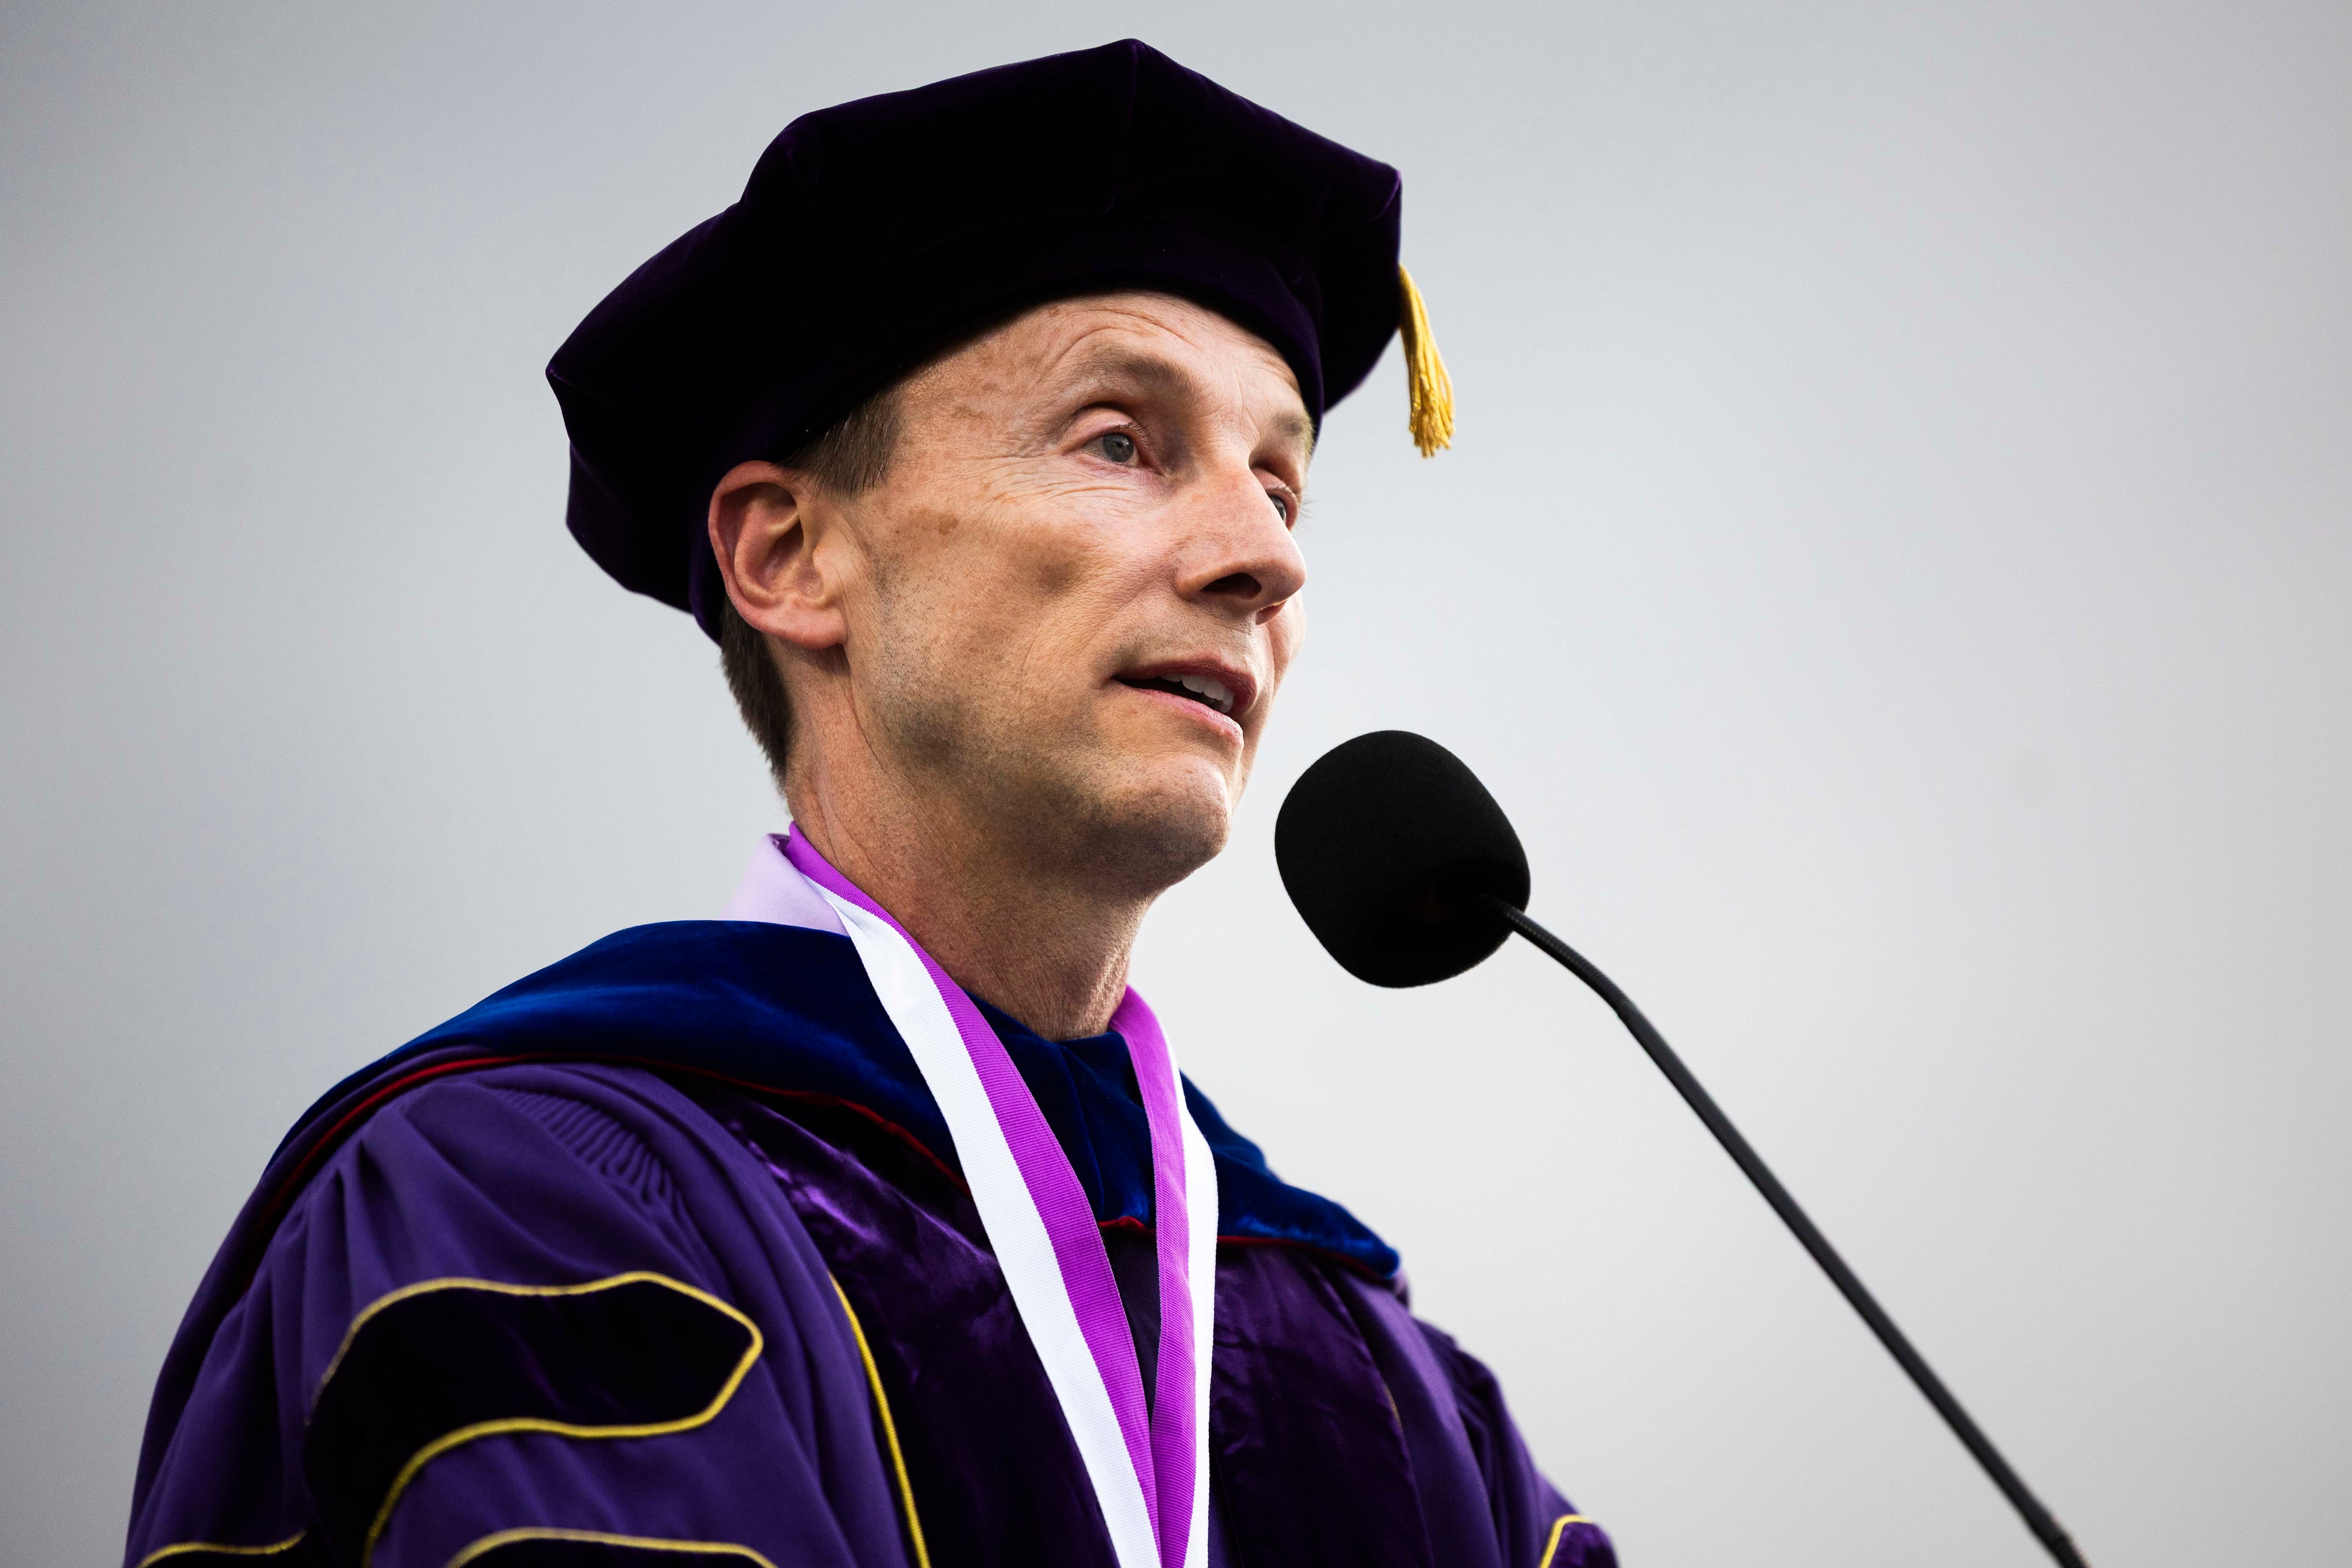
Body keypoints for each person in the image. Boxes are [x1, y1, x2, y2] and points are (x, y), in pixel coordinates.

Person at [125, 40, 1616, 1568]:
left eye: (1283, 483)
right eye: (1121, 439)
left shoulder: (1388, 1385)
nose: (1266, 557)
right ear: (787, 558)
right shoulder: (528, 1204)